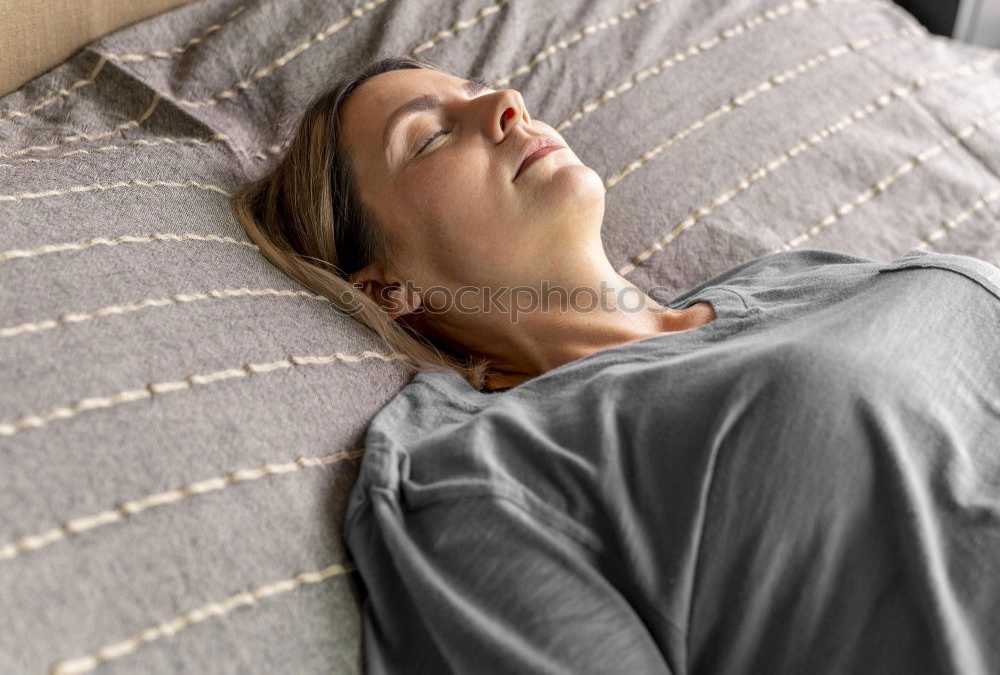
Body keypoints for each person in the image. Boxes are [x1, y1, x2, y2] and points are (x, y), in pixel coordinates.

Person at [231, 54, 1000, 674]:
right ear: (388, 287)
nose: (506, 101)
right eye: (430, 136)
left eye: (477, 88)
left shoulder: (795, 277)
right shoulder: (477, 472)